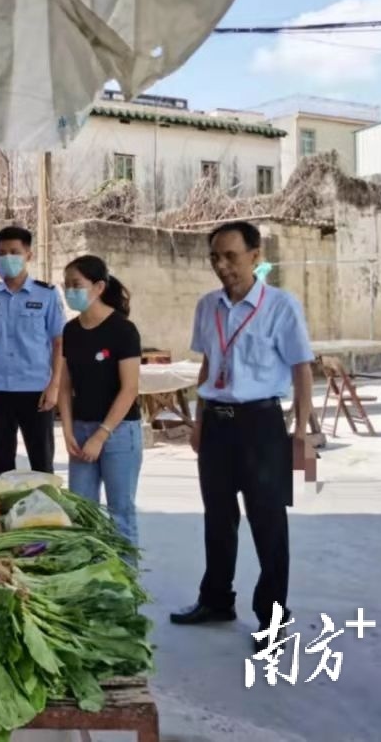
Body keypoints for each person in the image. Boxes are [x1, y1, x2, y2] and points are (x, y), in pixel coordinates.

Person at [170, 221, 314, 653]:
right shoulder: (207, 306)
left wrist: (301, 433)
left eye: (231, 256)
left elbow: (302, 370)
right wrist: (198, 421)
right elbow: (207, 366)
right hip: (216, 423)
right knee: (218, 516)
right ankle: (216, 600)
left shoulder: (281, 307)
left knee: (268, 523)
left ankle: (272, 620)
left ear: (255, 255)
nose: (222, 265)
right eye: (215, 257)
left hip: (261, 425)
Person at [0, 226, 66, 476]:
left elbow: (59, 343)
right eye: (2, 253)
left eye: (14, 252)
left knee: (41, 465)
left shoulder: (47, 295)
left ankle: (44, 512)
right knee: (0, 465)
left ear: (28, 255)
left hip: (36, 390)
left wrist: (54, 386)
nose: (7, 258)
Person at [58, 255, 143, 552]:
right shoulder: (70, 331)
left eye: (76, 285)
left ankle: (125, 582)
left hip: (118, 432)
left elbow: (130, 388)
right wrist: (67, 430)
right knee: (82, 510)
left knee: (120, 511)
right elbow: (65, 385)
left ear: (98, 287)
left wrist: (101, 434)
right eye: (66, 285)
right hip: (81, 430)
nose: (70, 291)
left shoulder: (122, 330)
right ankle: (91, 578)